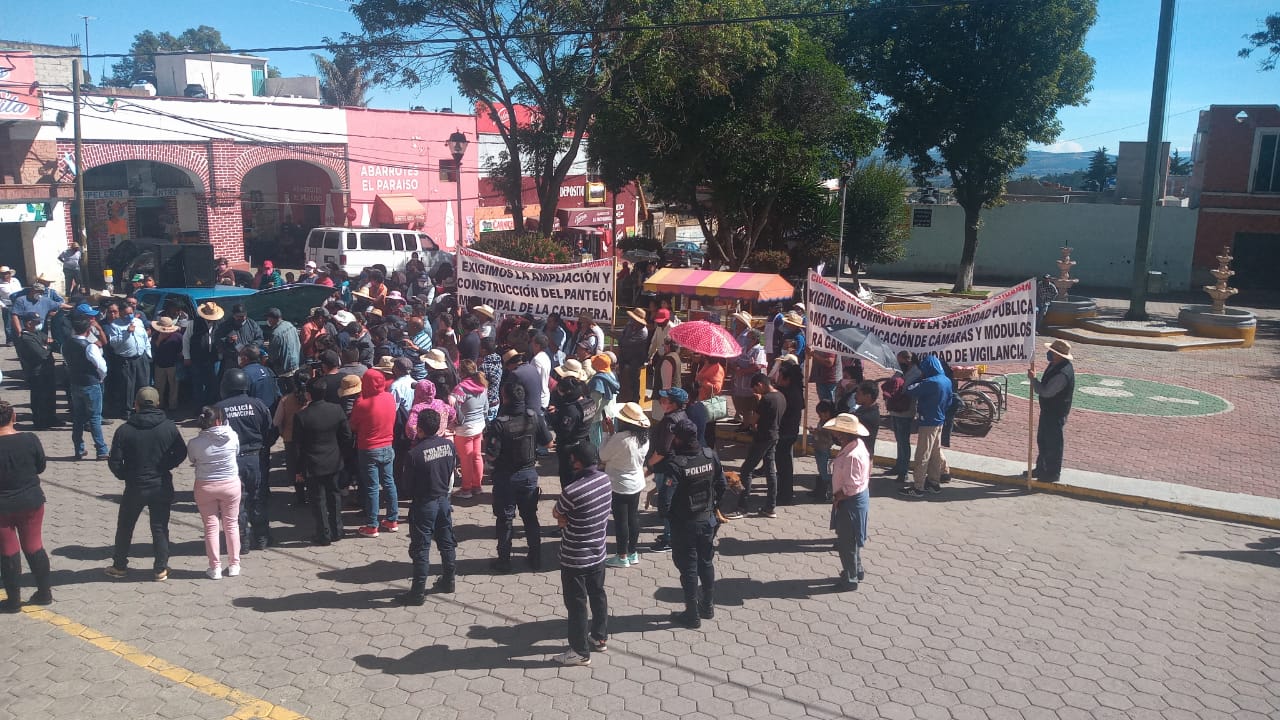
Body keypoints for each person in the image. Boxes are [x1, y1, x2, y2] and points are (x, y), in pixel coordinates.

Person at [105, 388, 187, 581]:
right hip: (160, 483)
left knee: (125, 526)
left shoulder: (124, 430)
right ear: (158, 403)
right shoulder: (168, 427)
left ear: (137, 405)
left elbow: (114, 461)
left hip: (135, 485)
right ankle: (160, 568)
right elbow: (181, 452)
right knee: (159, 526)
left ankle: (119, 566)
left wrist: (125, 475)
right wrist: (165, 466)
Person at [657, 419, 727, 628]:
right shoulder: (710, 455)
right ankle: (708, 605)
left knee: (688, 568)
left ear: (679, 439)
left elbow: (665, 499)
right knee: (706, 563)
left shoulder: (676, 465)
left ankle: (692, 614)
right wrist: (712, 506)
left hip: (685, 524)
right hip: (706, 520)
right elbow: (721, 485)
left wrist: (668, 517)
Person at [550, 442, 613, 666]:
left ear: (577, 462)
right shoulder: (605, 480)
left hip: (575, 556)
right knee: (598, 595)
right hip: (598, 552)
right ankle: (599, 636)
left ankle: (579, 650)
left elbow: (557, 512)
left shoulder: (573, 490)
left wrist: (563, 520)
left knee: (576, 604)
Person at [484, 384, 552, 573]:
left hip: (506, 477)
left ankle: (504, 561)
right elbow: (548, 442)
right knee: (530, 517)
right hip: (528, 475)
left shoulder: (499, 424)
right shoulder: (534, 417)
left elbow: (491, 455)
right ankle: (536, 558)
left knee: (505, 520)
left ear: (505, 398)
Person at [398, 409, 460, 605]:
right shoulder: (449, 446)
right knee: (447, 542)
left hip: (424, 504)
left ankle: (417, 592)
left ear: (420, 428)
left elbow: (407, 486)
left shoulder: (414, 454)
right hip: (443, 501)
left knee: (421, 548)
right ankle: (449, 581)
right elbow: (451, 471)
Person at [216, 368, 277, 550]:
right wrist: (264, 448)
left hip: (231, 461)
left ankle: (241, 542)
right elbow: (270, 431)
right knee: (257, 498)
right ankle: (262, 538)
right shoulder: (258, 405)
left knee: (236, 502)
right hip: (255, 459)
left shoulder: (219, 408)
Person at [0, 400, 53, 612]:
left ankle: (13, 601)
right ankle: (44, 593)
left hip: (2, 507)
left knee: (8, 550)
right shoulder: (30, 439)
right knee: (34, 546)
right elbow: (40, 466)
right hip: (31, 501)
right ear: (14, 417)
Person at [293, 377, 354, 545]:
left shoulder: (301, 416)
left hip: (313, 465)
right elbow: (346, 437)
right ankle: (338, 530)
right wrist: (342, 455)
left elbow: (297, 447)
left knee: (318, 500)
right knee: (334, 496)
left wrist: (298, 470)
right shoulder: (336, 410)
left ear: (308, 395)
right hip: (334, 461)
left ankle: (323, 533)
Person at [187, 406, 242, 579]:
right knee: (231, 525)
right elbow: (237, 451)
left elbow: (193, 460)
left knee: (211, 527)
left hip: (205, 486)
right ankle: (234, 564)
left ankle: (215, 567)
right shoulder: (232, 436)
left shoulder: (195, 443)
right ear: (219, 421)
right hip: (231, 485)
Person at [824, 413, 872, 591]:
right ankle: (857, 570)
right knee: (852, 540)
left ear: (843, 435)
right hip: (856, 499)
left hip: (850, 501)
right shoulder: (858, 446)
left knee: (846, 543)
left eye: (837, 432)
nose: (835, 435)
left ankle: (850, 578)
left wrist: (837, 498)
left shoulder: (852, 455)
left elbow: (850, 487)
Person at [350, 369, 399, 538]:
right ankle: (392, 519)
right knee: (389, 482)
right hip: (388, 445)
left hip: (368, 448)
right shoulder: (389, 397)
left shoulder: (362, 403)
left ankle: (372, 525)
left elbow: (353, 425)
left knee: (372, 487)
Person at [601, 402, 650, 569]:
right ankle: (632, 552)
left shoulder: (620, 439)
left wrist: (607, 434)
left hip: (619, 484)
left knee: (621, 520)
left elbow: (603, 455)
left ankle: (622, 556)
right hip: (636, 482)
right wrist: (612, 434)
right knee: (633, 517)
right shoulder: (643, 437)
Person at [900, 354, 952, 498]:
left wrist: (919, 378)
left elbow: (910, 389)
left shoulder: (930, 382)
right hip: (939, 420)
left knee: (922, 454)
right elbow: (949, 401)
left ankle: (918, 487)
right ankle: (934, 483)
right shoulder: (946, 380)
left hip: (928, 421)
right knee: (935, 453)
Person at [645, 386, 689, 552]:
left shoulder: (670, 421)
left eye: (665, 400)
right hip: (674, 465)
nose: (661, 402)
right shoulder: (681, 416)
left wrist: (650, 464)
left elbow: (663, 450)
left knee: (666, 504)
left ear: (674, 404)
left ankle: (669, 539)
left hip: (666, 467)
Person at [736, 373, 784, 518]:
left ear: (761, 384)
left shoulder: (767, 399)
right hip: (773, 436)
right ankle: (770, 506)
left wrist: (758, 402)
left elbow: (752, 421)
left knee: (746, 470)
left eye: (756, 389)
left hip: (762, 438)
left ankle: (742, 506)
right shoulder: (781, 396)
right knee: (770, 471)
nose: (756, 392)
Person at [1030, 339, 1076, 483]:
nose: (1049, 353)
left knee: (1053, 443)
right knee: (1042, 440)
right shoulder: (1055, 365)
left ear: (1058, 355)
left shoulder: (1062, 373)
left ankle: (1052, 473)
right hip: (1048, 411)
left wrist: (1034, 380)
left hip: (1055, 412)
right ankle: (1041, 468)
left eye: (1052, 352)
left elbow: (1046, 392)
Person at [66, 314, 109, 461]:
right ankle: (101, 449)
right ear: (88, 330)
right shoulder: (89, 346)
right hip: (91, 383)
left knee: (78, 417)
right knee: (95, 417)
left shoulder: (66, 344)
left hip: (75, 383)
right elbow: (101, 366)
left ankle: (79, 449)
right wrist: (101, 378)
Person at [105, 298, 151, 420]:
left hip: (141, 358)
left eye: (131, 313)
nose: (129, 316)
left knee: (143, 385)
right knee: (127, 387)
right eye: (126, 314)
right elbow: (114, 343)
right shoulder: (115, 326)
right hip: (126, 360)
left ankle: (143, 409)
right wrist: (127, 333)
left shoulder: (138, 322)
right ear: (120, 313)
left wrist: (148, 353)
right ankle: (127, 411)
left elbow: (145, 338)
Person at [450, 360, 488, 499]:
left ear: (462, 372)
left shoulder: (460, 388)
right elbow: (486, 408)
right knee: (477, 456)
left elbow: (453, 405)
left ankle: (466, 489)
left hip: (465, 428)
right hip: (479, 425)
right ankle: (477, 486)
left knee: (465, 459)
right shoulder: (483, 385)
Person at [881, 352, 920, 483]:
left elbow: (905, 388)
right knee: (899, 440)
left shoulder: (916, 372)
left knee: (904, 442)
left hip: (906, 410)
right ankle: (898, 466)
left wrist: (897, 383)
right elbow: (894, 382)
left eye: (900, 361)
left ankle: (904, 471)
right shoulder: (901, 370)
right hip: (895, 410)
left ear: (907, 360)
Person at [272, 371, 310, 507]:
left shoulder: (285, 400)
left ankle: (300, 498)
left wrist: (282, 431)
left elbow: (276, 421)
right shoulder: (311, 399)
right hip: (310, 439)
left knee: (295, 469)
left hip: (290, 439)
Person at [14, 313, 58, 428]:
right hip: (37, 373)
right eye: (36, 322)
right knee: (39, 398)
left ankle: (51, 418)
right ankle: (40, 421)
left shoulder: (37, 333)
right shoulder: (26, 338)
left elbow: (53, 343)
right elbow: (41, 354)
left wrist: (47, 345)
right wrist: (47, 347)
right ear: (29, 323)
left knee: (50, 396)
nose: (39, 324)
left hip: (48, 370)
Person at [549, 370, 591, 486]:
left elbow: (563, 431)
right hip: (585, 443)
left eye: (561, 393)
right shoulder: (589, 402)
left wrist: (553, 417)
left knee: (568, 477)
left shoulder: (571, 410)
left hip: (570, 449)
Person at [775, 361, 805, 506]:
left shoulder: (787, 393)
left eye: (780, 376)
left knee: (784, 466)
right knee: (785, 464)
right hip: (791, 431)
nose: (778, 378)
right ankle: (784, 492)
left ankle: (785, 495)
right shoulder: (796, 390)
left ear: (787, 379)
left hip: (785, 433)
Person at [187, 302, 224, 408]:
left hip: (214, 359)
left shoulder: (220, 323)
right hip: (197, 358)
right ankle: (199, 407)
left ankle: (211, 406)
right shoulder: (194, 323)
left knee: (213, 383)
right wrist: (187, 357)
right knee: (198, 384)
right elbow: (186, 339)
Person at [215, 304, 263, 382]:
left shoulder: (252, 324)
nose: (241, 318)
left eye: (243, 316)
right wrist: (228, 340)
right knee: (233, 382)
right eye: (239, 316)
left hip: (250, 360)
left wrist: (250, 348)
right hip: (232, 361)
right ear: (234, 315)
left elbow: (260, 338)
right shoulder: (225, 326)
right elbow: (218, 341)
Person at [731, 330, 767, 431]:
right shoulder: (743, 349)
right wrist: (736, 368)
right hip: (740, 383)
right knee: (743, 405)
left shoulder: (759, 350)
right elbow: (735, 361)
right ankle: (745, 424)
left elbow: (758, 366)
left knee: (752, 405)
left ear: (755, 339)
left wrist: (743, 371)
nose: (746, 339)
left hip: (751, 384)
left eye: (749, 337)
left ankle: (751, 425)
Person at [584, 354, 619, 450]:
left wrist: (589, 416)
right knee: (610, 442)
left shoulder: (597, 380)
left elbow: (596, 401)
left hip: (599, 418)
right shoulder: (611, 375)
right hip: (611, 414)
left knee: (598, 445)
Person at [150, 316, 184, 411]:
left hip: (173, 365)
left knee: (174, 387)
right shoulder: (156, 336)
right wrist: (159, 340)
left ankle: (173, 406)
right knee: (159, 386)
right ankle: (159, 405)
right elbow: (153, 349)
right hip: (159, 365)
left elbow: (182, 351)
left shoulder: (178, 336)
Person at [616, 308, 649, 403]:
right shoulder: (629, 325)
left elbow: (628, 342)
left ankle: (635, 398)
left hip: (637, 357)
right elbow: (622, 339)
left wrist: (622, 341)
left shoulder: (643, 331)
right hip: (625, 354)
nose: (632, 320)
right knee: (619, 369)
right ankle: (621, 392)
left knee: (634, 375)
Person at [810, 400, 838, 502]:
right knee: (821, 470)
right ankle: (819, 491)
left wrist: (818, 433)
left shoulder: (831, 425)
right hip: (818, 448)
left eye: (821, 414)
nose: (820, 417)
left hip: (824, 450)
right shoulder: (822, 422)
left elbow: (828, 439)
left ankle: (827, 493)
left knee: (825, 472)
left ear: (828, 412)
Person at [265, 308, 301, 376]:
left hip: (284, 370)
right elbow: (298, 344)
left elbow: (273, 356)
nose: (268, 321)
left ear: (272, 319)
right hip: (296, 364)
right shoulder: (290, 325)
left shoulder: (276, 334)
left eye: (268, 318)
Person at [0, 266, 24, 345]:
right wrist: (3, 306)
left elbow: (21, 291)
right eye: (2, 274)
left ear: (10, 274)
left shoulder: (15, 281)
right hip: (7, 305)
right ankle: (10, 340)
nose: (4, 275)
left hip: (18, 304)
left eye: (6, 273)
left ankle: (21, 337)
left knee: (20, 321)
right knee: (8, 323)